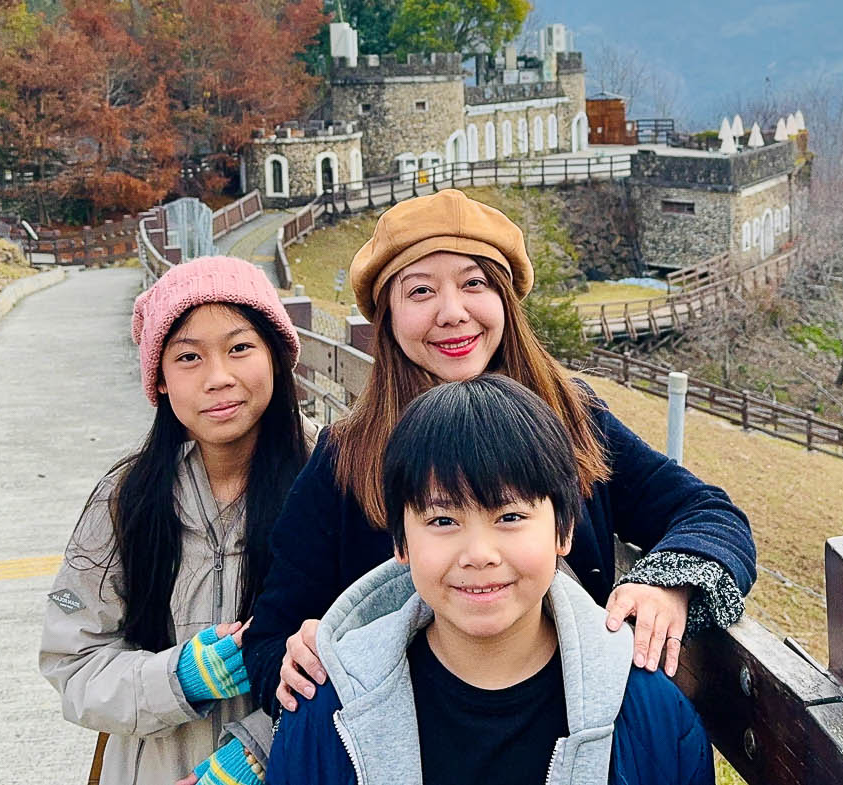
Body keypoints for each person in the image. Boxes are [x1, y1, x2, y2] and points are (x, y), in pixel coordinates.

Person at [244, 188, 755, 727]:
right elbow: (269, 639)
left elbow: (708, 513)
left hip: (573, 733)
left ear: (506, 300)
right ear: (388, 316)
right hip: (405, 746)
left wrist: (668, 583)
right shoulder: (346, 459)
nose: (452, 313)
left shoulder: (572, 418)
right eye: (421, 291)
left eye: (474, 284)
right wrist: (295, 660)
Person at [266, 375, 714, 785]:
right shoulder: (330, 709)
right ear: (400, 542)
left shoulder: (652, 717)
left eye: (510, 516)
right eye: (443, 520)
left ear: (563, 532)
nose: (479, 554)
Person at [40, 257, 310, 785]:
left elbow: (376, 648)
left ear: (276, 356)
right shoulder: (125, 498)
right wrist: (180, 678)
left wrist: (263, 750)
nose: (218, 378)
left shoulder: (334, 479)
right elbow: (71, 659)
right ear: (159, 379)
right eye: (188, 357)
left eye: (240, 348)